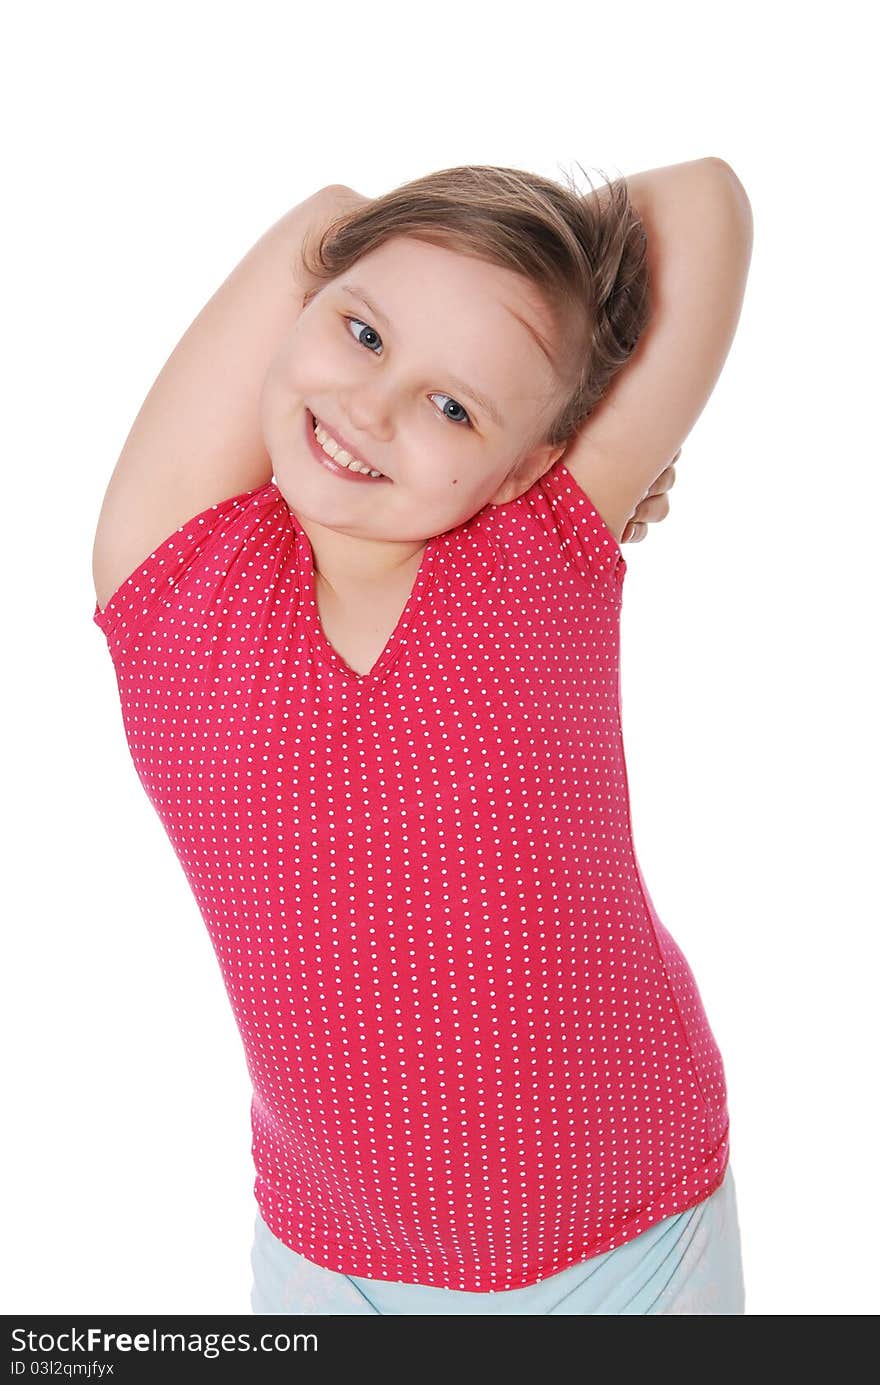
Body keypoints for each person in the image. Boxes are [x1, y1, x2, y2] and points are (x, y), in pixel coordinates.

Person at [92, 160, 753, 1314]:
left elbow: (700, 200)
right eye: (362, 332)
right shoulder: (172, 581)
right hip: (329, 1265)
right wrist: (394, 232)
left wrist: (570, 410)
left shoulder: (541, 543)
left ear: (527, 464)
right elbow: (321, 222)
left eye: (455, 408)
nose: (372, 408)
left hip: (631, 1245)